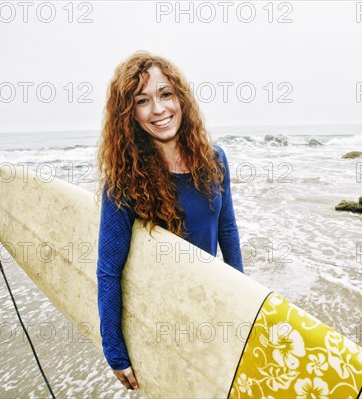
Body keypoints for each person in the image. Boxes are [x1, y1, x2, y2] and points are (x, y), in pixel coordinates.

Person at [96, 52, 244, 390]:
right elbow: (108, 269)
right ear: (129, 114)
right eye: (142, 100)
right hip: (162, 317)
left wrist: (240, 299)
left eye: (165, 94)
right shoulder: (124, 181)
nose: (159, 109)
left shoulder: (214, 158)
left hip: (208, 303)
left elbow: (227, 230)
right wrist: (115, 352)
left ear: (180, 97)